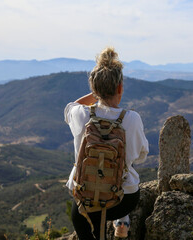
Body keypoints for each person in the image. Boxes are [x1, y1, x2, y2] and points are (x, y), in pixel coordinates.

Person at [64, 47, 149, 239]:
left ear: (94, 88)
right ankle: (122, 222)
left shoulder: (80, 114)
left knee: (81, 217)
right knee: (123, 173)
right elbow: (141, 156)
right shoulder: (132, 119)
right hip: (123, 199)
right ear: (119, 88)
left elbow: (71, 106)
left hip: (86, 198)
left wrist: (97, 93)